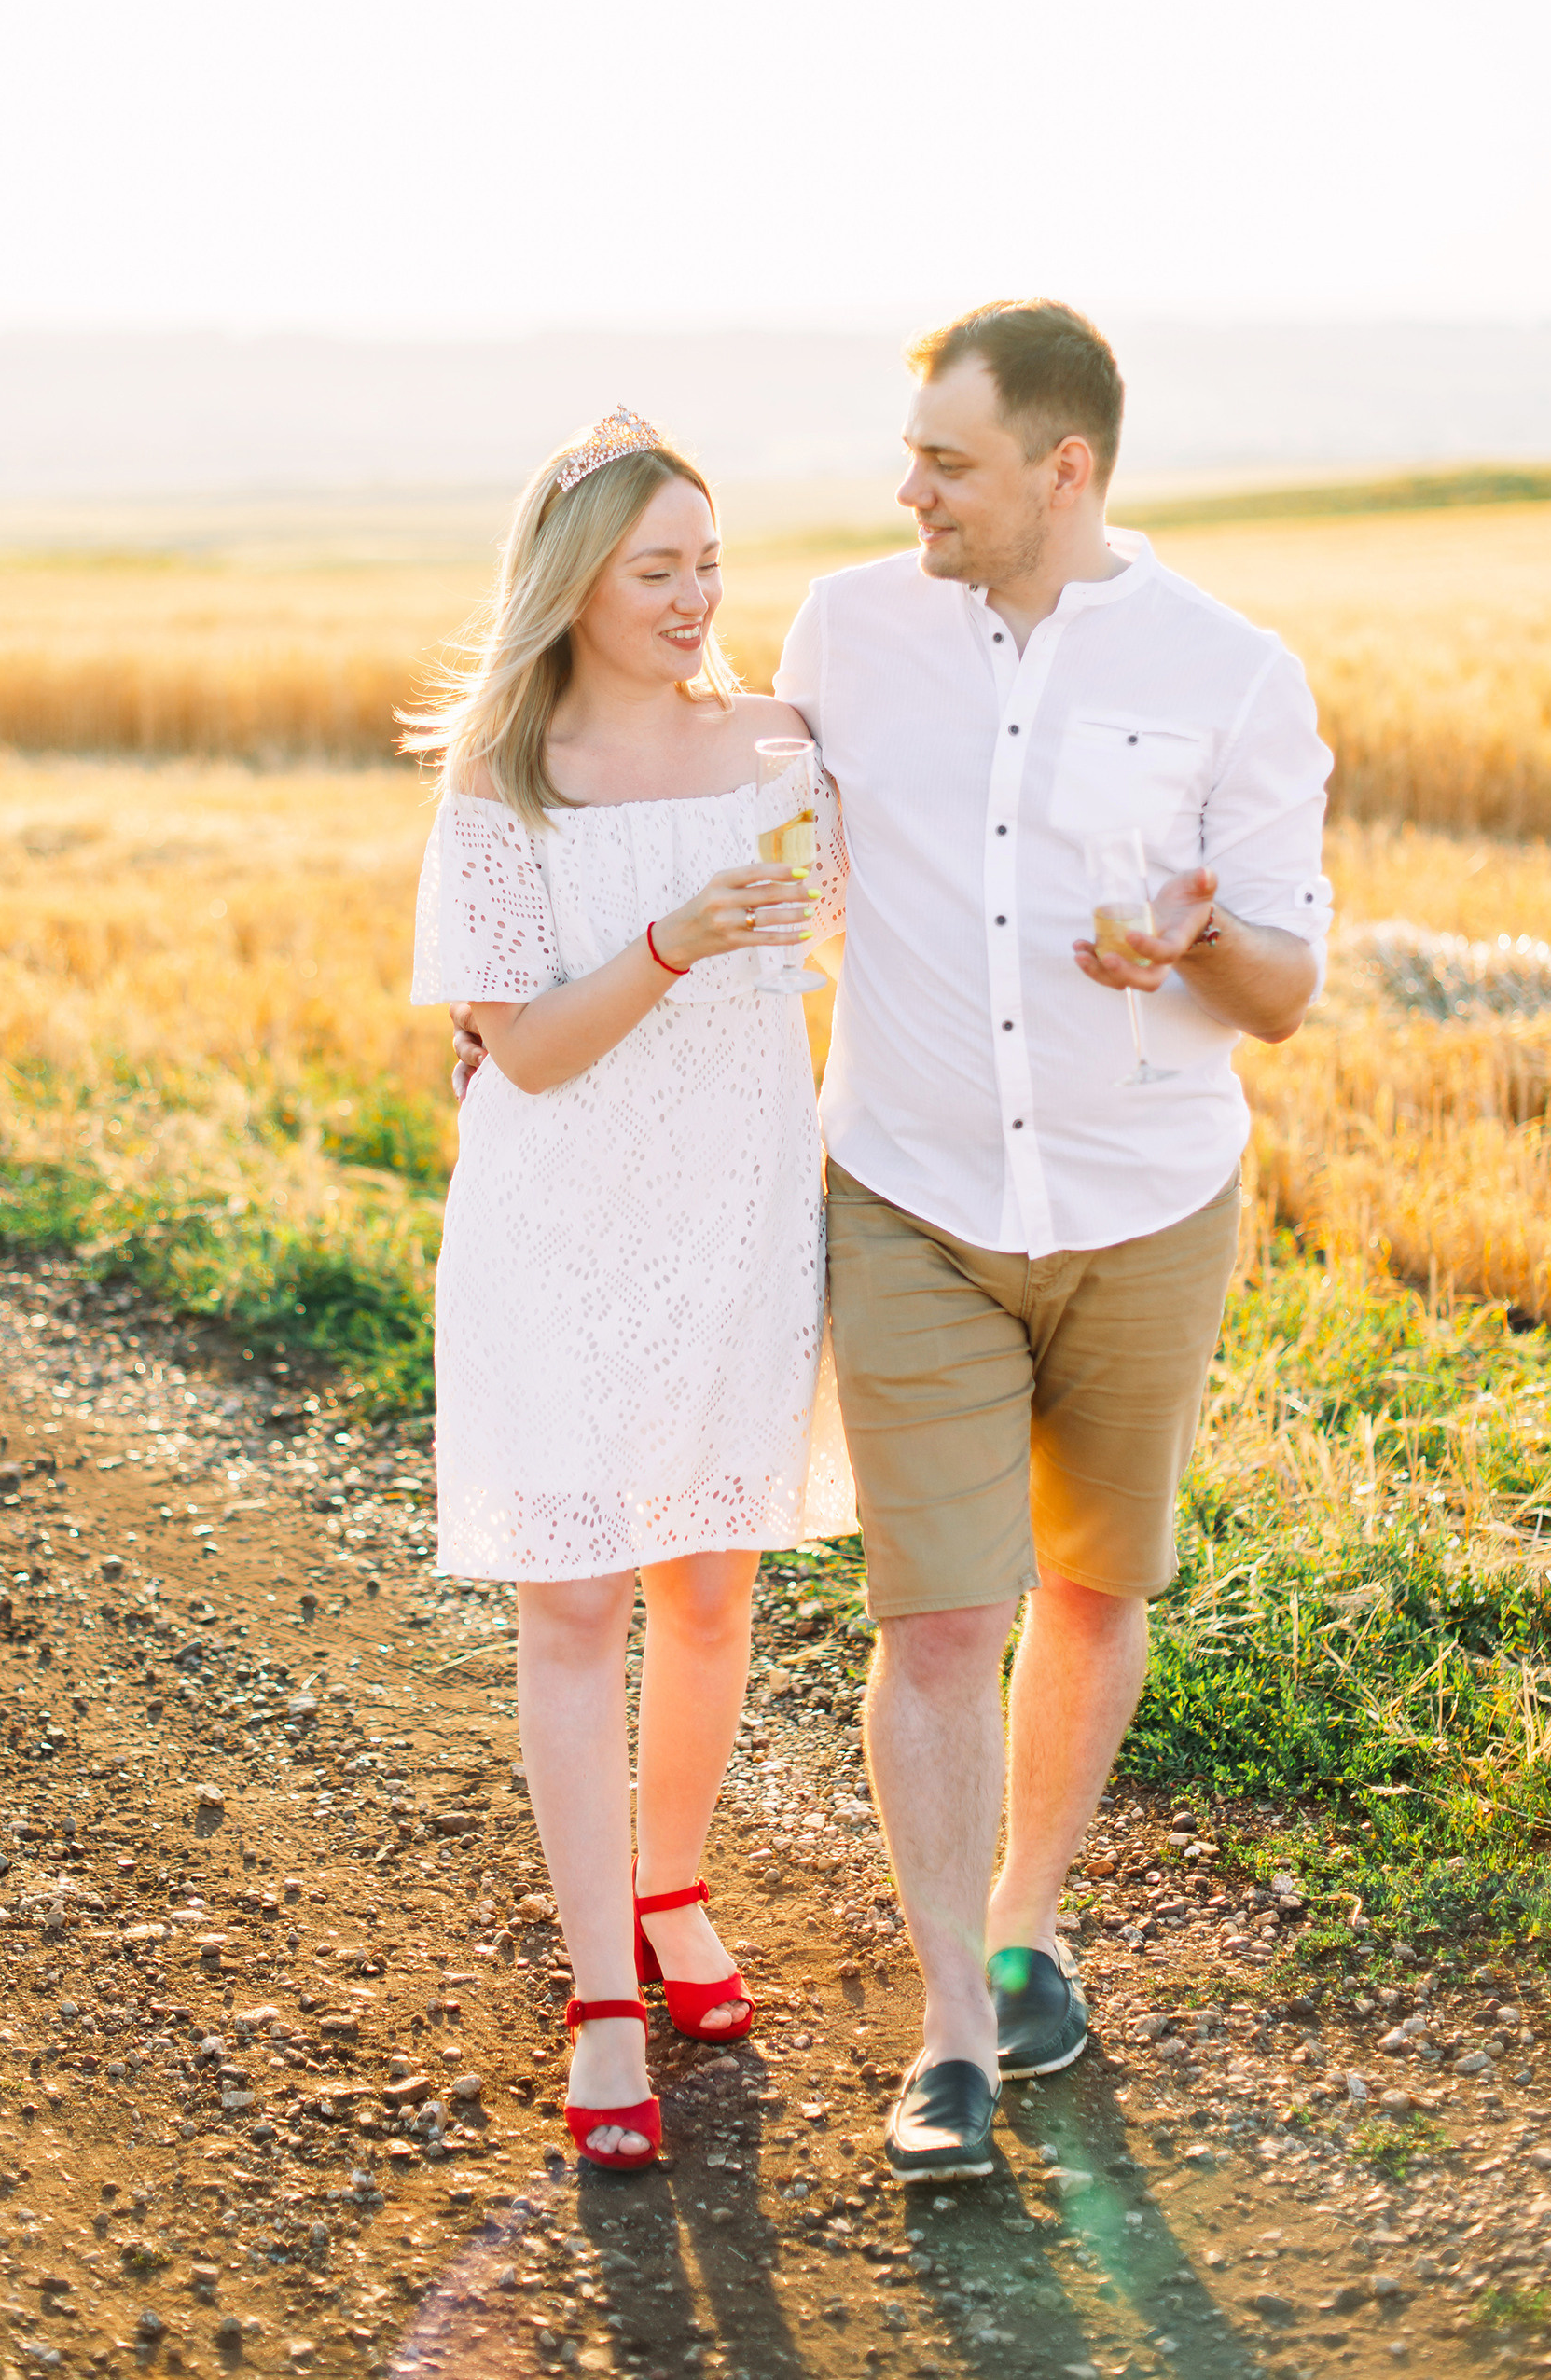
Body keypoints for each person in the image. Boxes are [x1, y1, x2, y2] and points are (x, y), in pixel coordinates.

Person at [771, 299, 1333, 2180]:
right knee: (936, 1616)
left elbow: (1283, 983)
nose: (906, 489)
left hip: (1144, 1206)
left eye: (947, 461)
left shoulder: (1233, 672)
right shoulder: (844, 628)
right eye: (908, 454)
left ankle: (1023, 1927)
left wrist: (1194, 940)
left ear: (1063, 470)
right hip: (910, 1194)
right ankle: (950, 2032)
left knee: (1096, 1587)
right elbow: (761, 853)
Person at [409, 405, 852, 2173]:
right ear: (579, 581)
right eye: (657, 568)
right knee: (578, 1607)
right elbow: (517, 1057)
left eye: (710, 561)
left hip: (742, 1200)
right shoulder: (501, 787)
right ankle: (604, 1990)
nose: (695, 595)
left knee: (718, 1585)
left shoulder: (777, 742)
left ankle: (676, 1885)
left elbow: (847, 937)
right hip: (562, 1214)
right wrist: (675, 937)